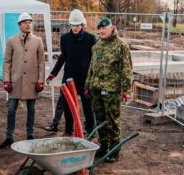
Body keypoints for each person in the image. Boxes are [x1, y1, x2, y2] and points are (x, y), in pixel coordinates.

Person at [85, 18, 132, 162]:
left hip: (112, 90)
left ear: (112, 28)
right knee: (100, 119)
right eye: (100, 28)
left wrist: (126, 90)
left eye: (105, 28)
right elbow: (92, 68)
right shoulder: (96, 46)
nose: (102, 30)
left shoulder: (121, 46)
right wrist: (88, 85)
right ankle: (104, 146)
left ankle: (114, 150)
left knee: (112, 120)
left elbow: (127, 70)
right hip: (97, 89)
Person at [44, 9, 97, 136]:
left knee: (87, 107)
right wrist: (54, 73)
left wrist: (93, 79)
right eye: (73, 25)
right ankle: (69, 131)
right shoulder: (65, 39)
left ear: (82, 25)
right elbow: (63, 57)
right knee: (68, 107)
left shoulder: (91, 39)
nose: (75, 28)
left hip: (85, 80)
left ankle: (90, 131)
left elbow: (95, 61)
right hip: (69, 78)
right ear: (70, 25)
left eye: (77, 25)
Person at [0, 12, 46, 149]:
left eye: (30, 22)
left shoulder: (38, 41)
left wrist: (41, 80)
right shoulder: (11, 41)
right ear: (19, 25)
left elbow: (42, 63)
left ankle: (30, 134)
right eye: (25, 22)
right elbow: (6, 62)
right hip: (15, 81)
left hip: (32, 82)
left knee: (31, 109)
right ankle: (9, 136)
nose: (28, 24)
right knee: (11, 109)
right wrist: (6, 80)